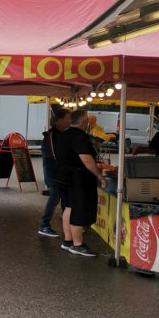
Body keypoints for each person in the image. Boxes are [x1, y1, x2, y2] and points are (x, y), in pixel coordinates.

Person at [55, 110, 107, 256]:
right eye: (88, 121)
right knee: (78, 209)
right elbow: (86, 159)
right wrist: (99, 176)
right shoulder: (79, 136)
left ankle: (67, 241)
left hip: (62, 177)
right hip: (77, 178)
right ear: (84, 122)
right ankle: (77, 244)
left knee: (69, 207)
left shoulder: (64, 134)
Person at [38, 109, 71, 237]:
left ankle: (67, 222)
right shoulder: (51, 136)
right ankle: (44, 225)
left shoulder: (62, 134)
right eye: (68, 118)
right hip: (54, 174)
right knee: (54, 198)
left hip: (62, 173)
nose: (69, 121)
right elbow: (53, 156)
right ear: (59, 120)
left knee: (65, 198)